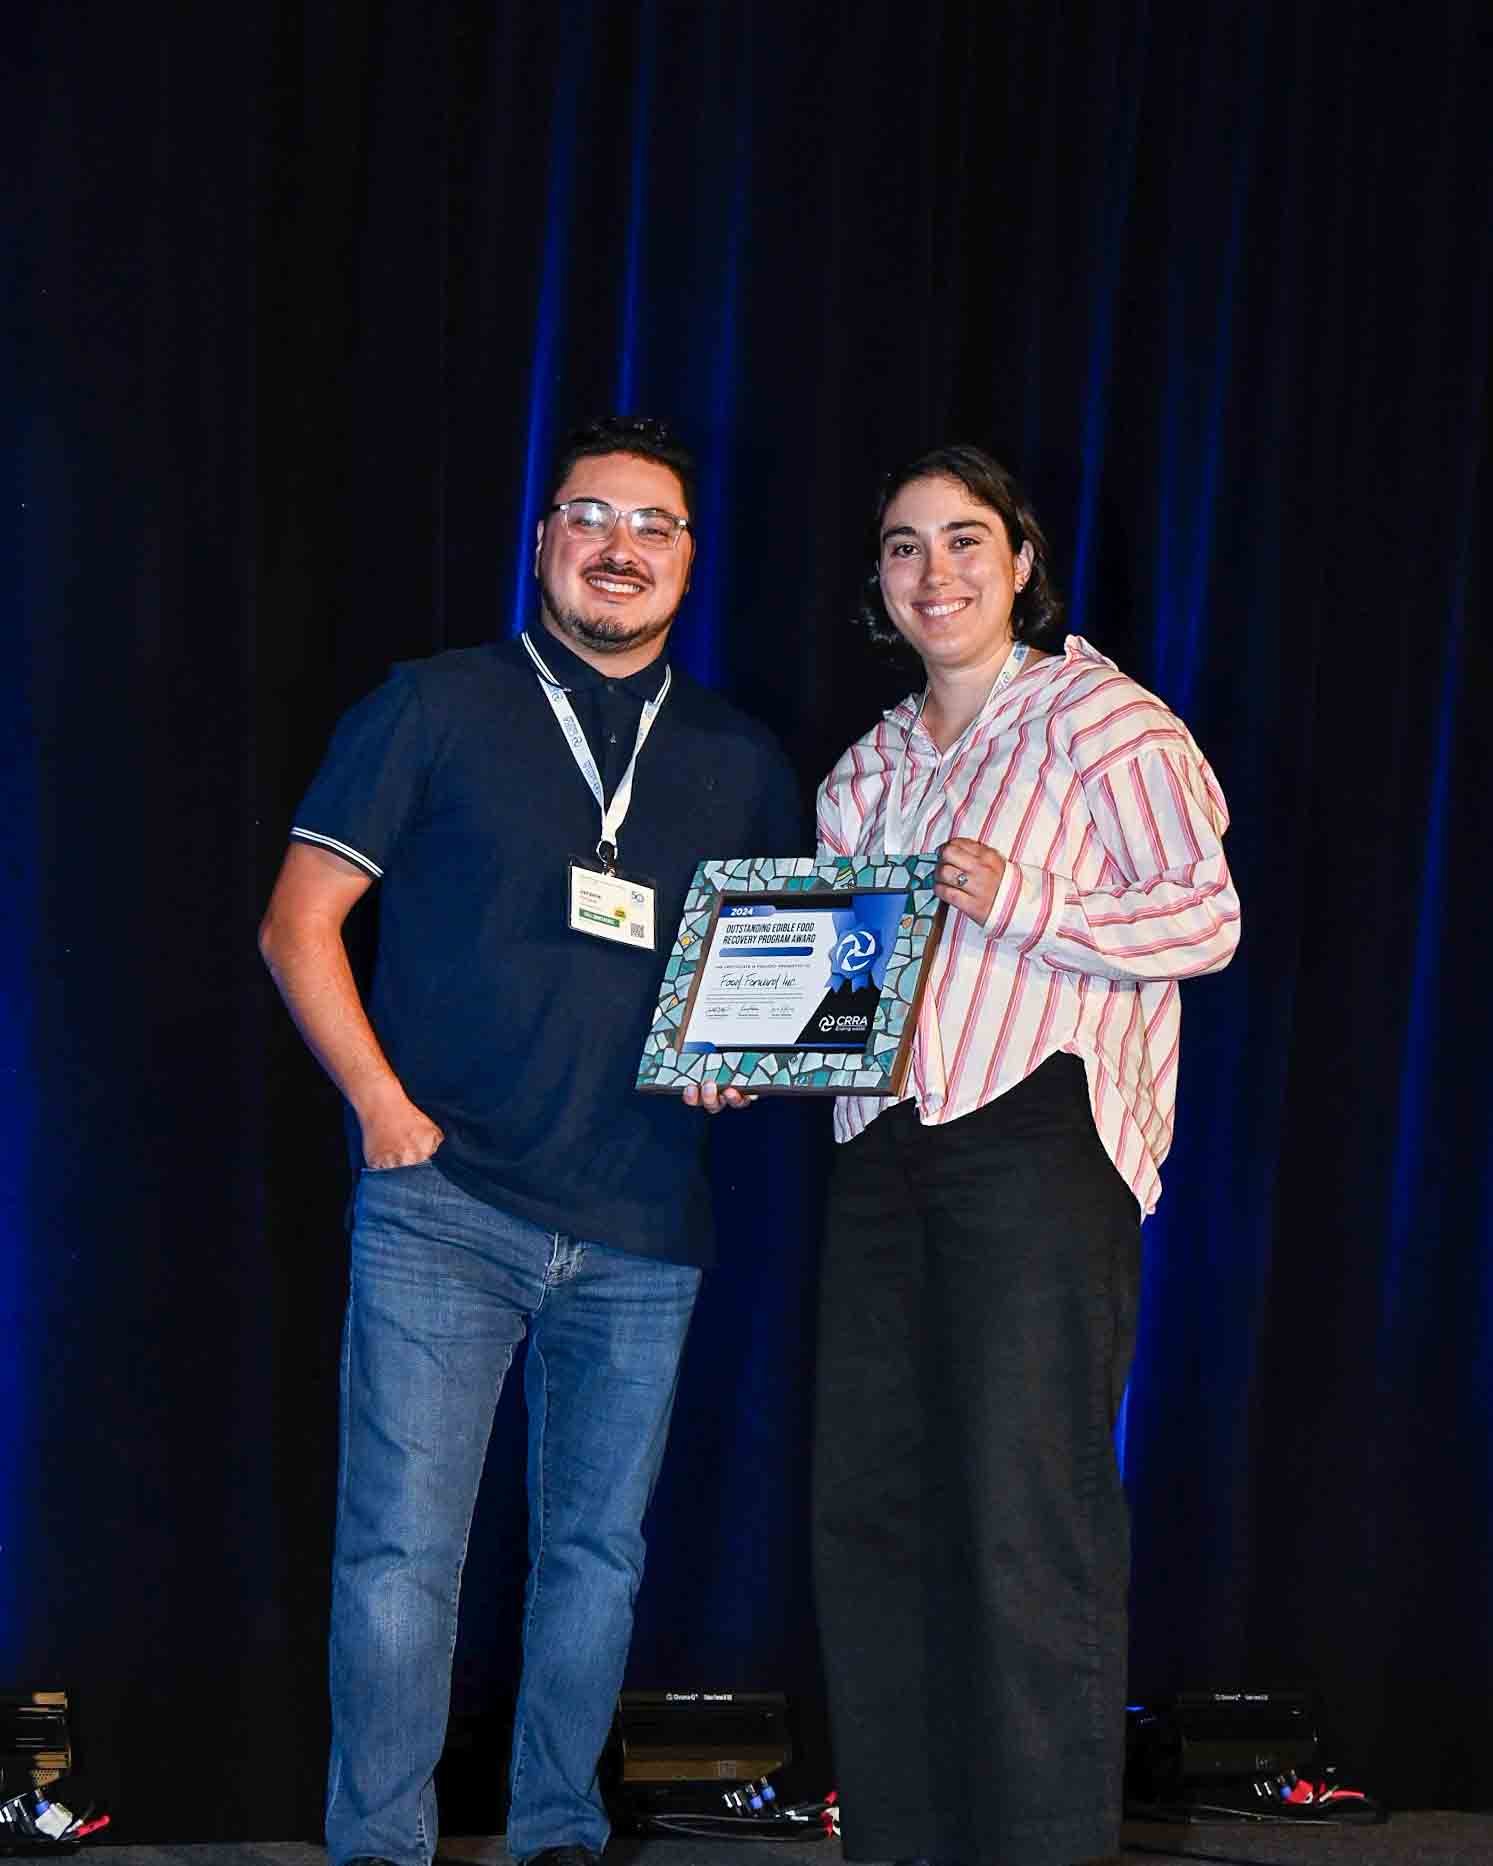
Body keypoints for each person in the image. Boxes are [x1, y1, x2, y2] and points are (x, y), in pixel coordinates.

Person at [258, 416, 801, 1866]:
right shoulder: (432, 705)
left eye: (653, 525)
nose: (621, 547)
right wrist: (381, 1106)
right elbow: (299, 923)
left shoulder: (742, 758)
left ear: (690, 559)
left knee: (596, 1560)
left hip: (644, 1225)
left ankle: (559, 1827)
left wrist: (743, 1066)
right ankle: (381, 1845)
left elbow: (769, 977)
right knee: (399, 1555)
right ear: (545, 536)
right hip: (446, 1206)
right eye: (592, 517)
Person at [811, 444, 1239, 1866]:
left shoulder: (1099, 719)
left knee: (1024, 1512)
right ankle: (902, 1842)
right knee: (871, 1509)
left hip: (1036, 1132)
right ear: (879, 581)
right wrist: (755, 1053)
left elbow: (1207, 917)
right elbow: (838, 988)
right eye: (902, 545)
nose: (932, 570)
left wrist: (1030, 897)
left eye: (962, 540)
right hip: (881, 1149)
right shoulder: (865, 770)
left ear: (1019, 562)